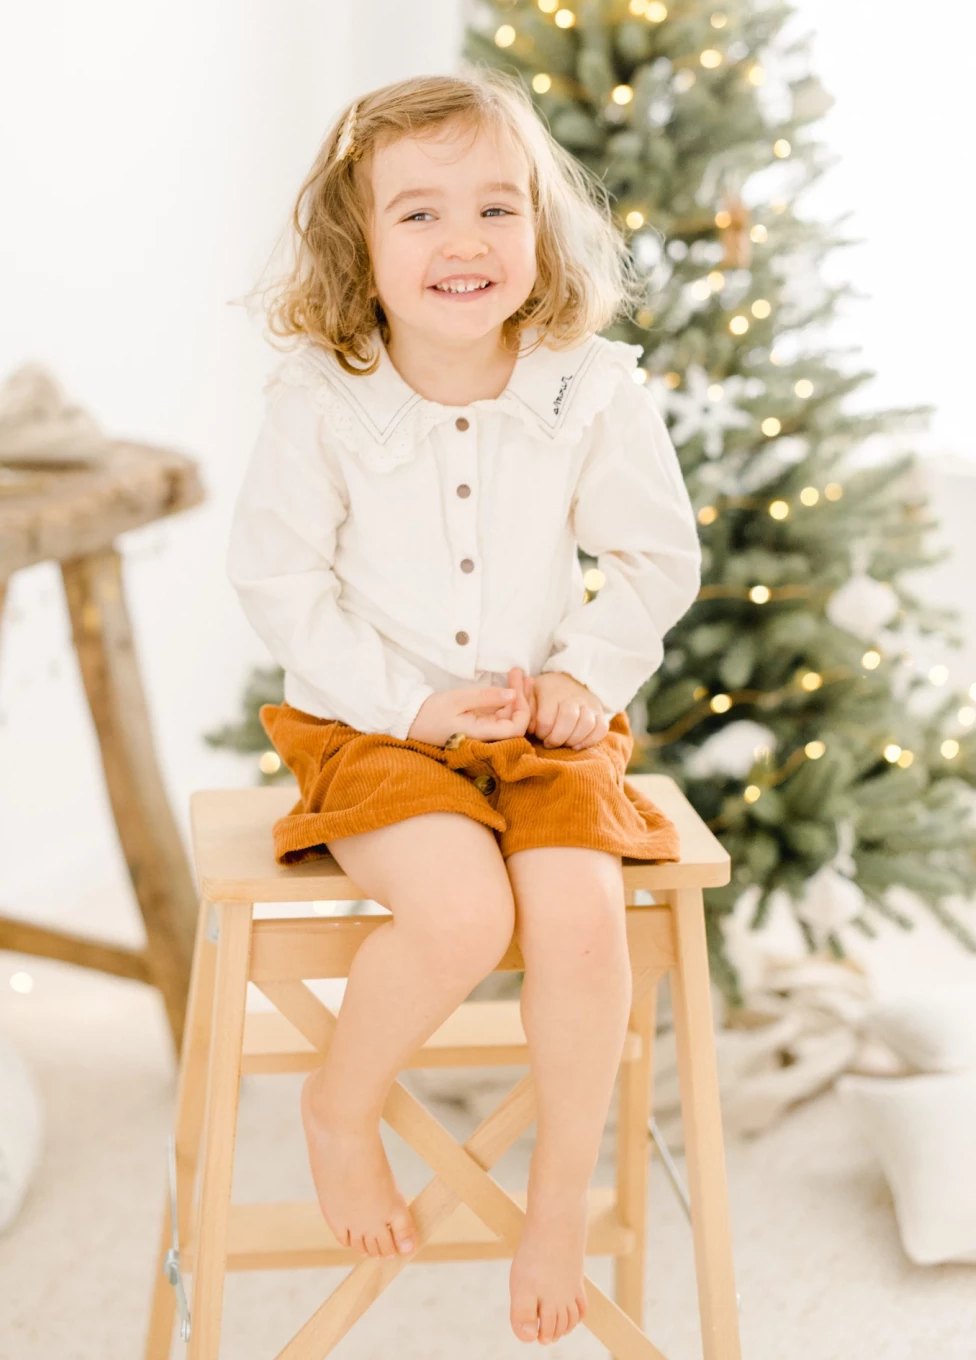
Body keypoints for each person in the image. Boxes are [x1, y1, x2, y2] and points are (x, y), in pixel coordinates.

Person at [226, 70, 700, 1347]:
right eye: (420, 215)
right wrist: (409, 706)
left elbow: (656, 559)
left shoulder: (585, 385)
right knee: (461, 906)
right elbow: (279, 581)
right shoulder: (322, 398)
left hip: (545, 722)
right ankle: (342, 1104)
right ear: (359, 244)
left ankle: (557, 1202)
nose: (464, 241)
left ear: (540, 228)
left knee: (580, 920)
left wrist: (583, 678)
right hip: (374, 729)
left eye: (497, 207)